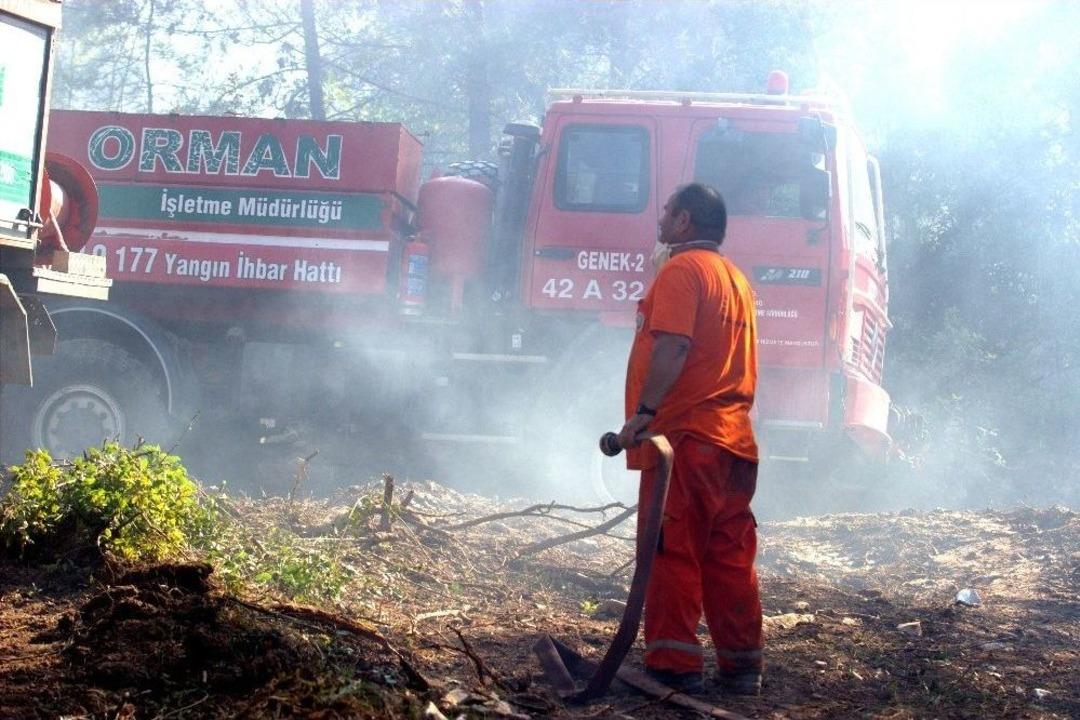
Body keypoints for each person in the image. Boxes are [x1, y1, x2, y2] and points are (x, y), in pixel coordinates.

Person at [617, 182, 763, 696]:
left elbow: (675, 346)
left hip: (685, 439)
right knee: (728, 552)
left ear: (683, 222)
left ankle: (673, 664)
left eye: (665, 212)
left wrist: (644, 413)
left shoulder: (681, 271)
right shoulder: (736, 280)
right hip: (734, 442)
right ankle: (742, 667)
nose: (659, 220)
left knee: (671, 546)